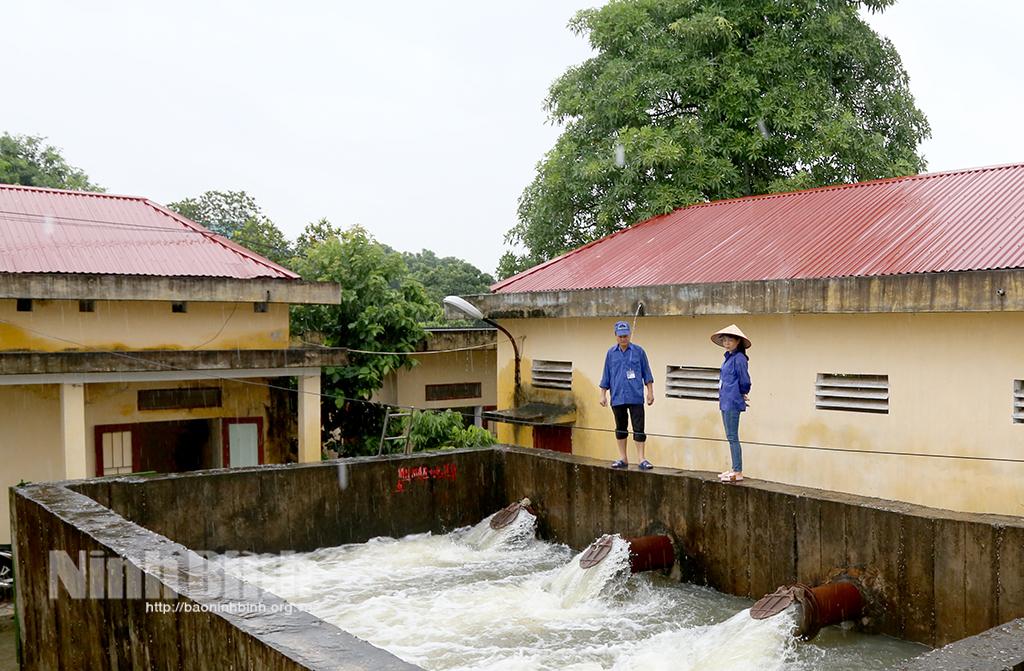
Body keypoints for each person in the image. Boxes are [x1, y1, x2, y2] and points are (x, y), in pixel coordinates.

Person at [599, 320, 655, 470]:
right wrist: (603, 394)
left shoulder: (639, 351)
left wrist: (650, 392)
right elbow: (606, 375)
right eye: (620, 336)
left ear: (629, 335)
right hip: (617, 396)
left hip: (635, 395)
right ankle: (623, 458)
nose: (623, 339)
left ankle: (641, 458)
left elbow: (647, 373)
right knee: (621, 427)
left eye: (625, 336)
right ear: (615, 336)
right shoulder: (611, 353)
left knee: (639, 427)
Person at [712, 324, 752, 483]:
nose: (726, 342)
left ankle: (738, 470)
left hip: (733, 400)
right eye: (724, 340)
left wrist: (743, 392)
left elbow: (745, 380)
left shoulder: (740, 359)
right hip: (725, 400)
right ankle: (735, 468)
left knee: (733, 436)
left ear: (738, 342)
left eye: (730, 340)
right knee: (730, 436)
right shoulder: (728, 358)